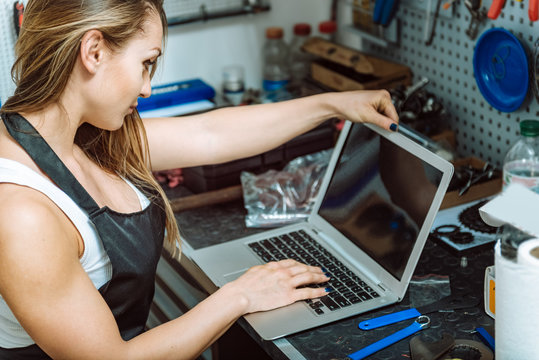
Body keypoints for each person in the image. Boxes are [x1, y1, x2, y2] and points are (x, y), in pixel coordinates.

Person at [0, 0, 399, 359]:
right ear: (94, 51)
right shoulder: (23, 212)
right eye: (146, 63)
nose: (147, 87)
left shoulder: (71, 134)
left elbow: (209, 135)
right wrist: (241, 295)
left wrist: (334, 104)